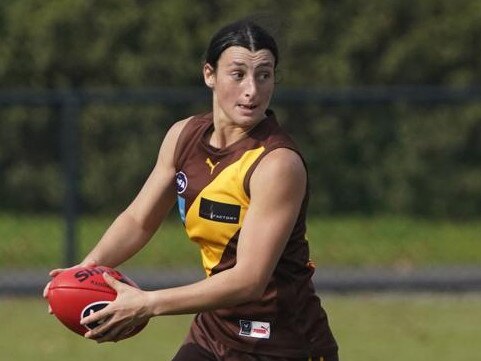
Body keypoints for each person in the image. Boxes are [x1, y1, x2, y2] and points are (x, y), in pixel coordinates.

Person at [44, 19, 339, 361]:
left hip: (283, 342)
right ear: (209, 74)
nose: (252, 91)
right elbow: (139, 220)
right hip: (215, 332)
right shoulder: (183, 137)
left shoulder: (276, 164)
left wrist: (148, 303)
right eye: (238, 73)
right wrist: (83, 272)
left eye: (264, 75)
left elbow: (249, 280)